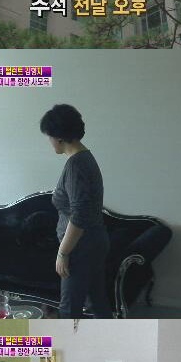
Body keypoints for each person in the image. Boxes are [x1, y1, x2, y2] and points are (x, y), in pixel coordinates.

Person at [40, 104, 113, 318]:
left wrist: (63, 253)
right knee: (97, 302)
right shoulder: (85, 158)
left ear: (58, 137)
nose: (49, 141)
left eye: (49, 136)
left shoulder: (76, 165)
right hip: (93, 242)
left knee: (69, 309)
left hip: (81, 247)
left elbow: (79, 215)